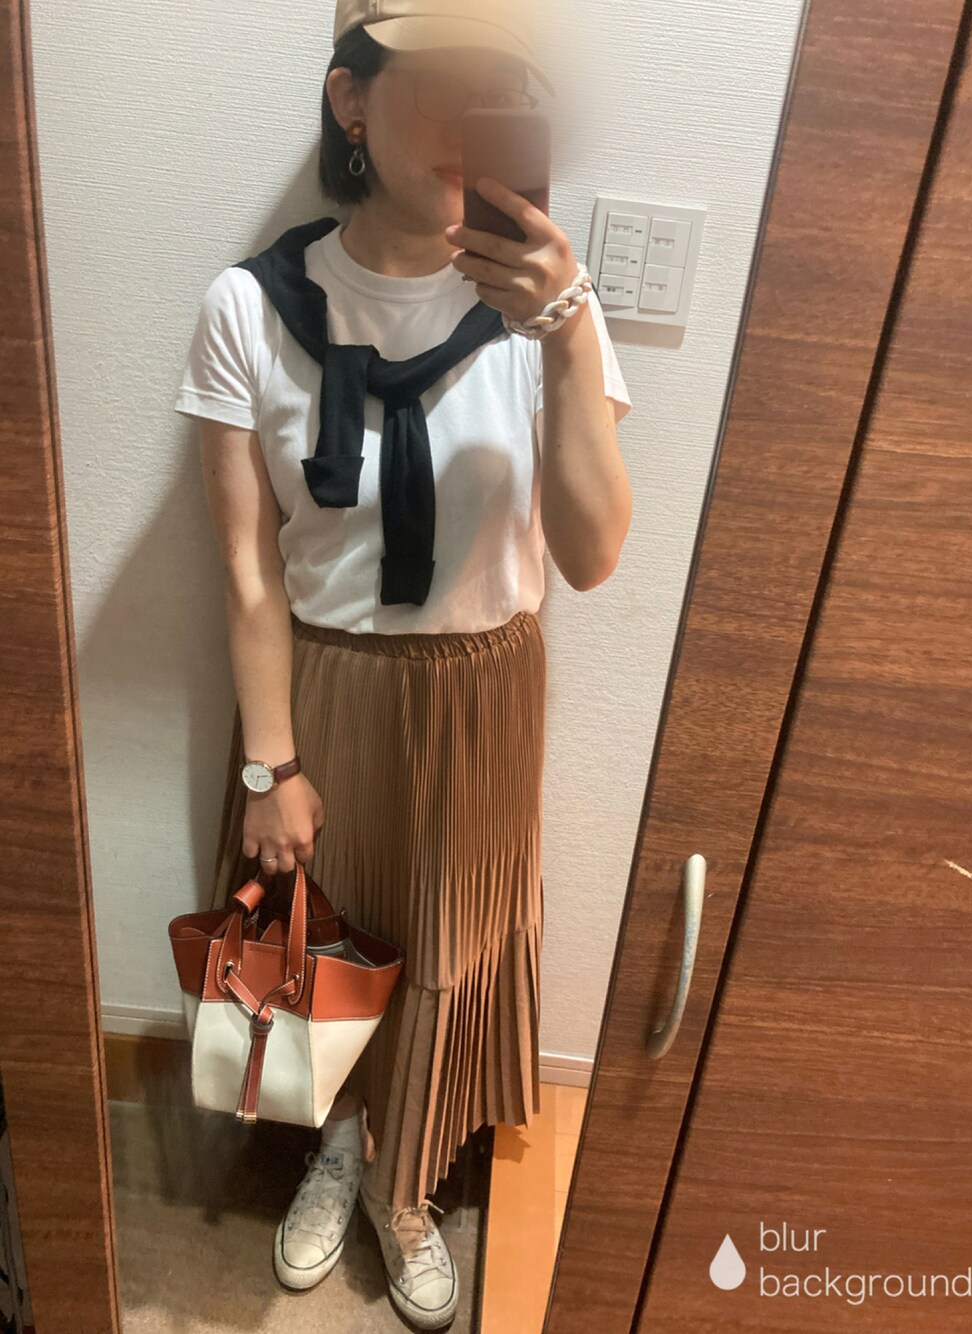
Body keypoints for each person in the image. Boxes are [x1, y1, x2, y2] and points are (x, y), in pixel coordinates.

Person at [173, 0, 632, 1326]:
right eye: (441, 81)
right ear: (352, 100)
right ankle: (336, 1139)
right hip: (320, 688)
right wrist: (270, 765)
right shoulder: (250, 309)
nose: (472, 118)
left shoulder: (551, 301)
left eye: (501, 86)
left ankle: (405, 1180)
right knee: (324, 929)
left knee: (449, 946)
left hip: (484, 693)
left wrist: (563, 330)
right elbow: (247, 569)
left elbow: (594, 554)